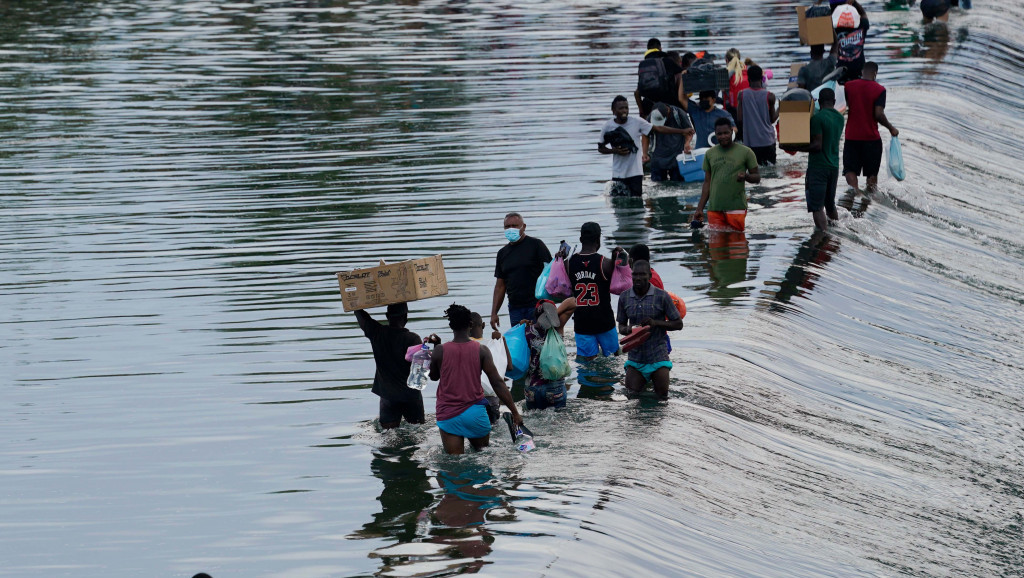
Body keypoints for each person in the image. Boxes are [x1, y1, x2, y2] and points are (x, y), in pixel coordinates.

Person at [429, 304, 523, 455]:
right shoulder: (481, 350)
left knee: (455, 465)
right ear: (470, 324)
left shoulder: (440, 350)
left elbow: (434, 377)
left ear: (451, 326)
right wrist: (515, 412)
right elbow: (498, 383)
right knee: (482, 457)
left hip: (449, 414)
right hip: (475, 413)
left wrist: (436, 347)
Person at [598, 96, 693, 197]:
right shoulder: (607, 126)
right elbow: (601, 148)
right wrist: (615, 151)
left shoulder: (637, 122)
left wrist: (682, 131)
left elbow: (658, 128)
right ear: (613, 110)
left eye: (626, 108)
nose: (624, 110)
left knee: (636, 201)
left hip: (636, 173)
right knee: (618, 204)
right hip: (618, 173)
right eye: (621, 108)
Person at [616, 261, 683, 399]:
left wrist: (656, 323)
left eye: (642, 274)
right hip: (635, 359)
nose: (638, 278)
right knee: (631, 398)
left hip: (658, 357)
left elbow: (678, 324)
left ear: (650, 275)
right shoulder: (624, 297)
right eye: (635, 274)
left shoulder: (662, 296)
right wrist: (627, 330)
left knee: (662, 398)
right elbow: (621, 325)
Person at [355, 303, 425, 429]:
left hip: (388, 397)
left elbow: (362, 317)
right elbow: (420, 372)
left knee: (388, 434)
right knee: (418, 432)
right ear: (406, 317)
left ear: (387, 316)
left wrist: (355, 304)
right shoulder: (413, 339)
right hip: (411, 397)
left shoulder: (377, 333)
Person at [786, 88, 845, 230]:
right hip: (834, 167)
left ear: (818, 101)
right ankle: (835, 233)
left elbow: (817, 145)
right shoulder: (840, 118)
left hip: (818, 167)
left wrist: (795, 147)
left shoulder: (817, 118)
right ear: (834, 101)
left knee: (817, 206)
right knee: (830, 204)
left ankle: (823, 237)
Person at [691, 118, 760, 232]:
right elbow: (707, 182)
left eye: (726, 133)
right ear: (715, 134)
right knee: (717, 246)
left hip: (736, 208)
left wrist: (746, 176)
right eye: (719, 134)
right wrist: (699, 209)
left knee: (736, 243)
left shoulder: (746, 152)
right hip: (714, 208)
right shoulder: (710, 154)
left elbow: (757, 177)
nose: (723, 136)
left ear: (732, 132)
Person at [566, 222, 624, 360]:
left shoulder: (568, 263)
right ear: (598, 240)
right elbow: (622, 283)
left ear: (580, 240)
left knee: (586, 366)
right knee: (614, 361)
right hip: (605, 322)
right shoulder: (606, 263)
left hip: (582, 324)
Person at [843, 61, 899, 191]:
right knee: (872, 175)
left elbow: (844, 106)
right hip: (871, 139)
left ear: (862, 72)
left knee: (850, 170)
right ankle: (868, 200)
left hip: (852, 137)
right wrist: (891, 128)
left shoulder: (848, 86)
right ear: (875, 74)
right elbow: (878, 114)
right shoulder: (880, 90)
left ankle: (856, 192)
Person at [490, 212, 551, 330]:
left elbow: (550, 273)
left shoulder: (536, 245)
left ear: (524, 227)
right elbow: (500, 286)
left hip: (537, 305)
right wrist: (494, 313)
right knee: (520, 342)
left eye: (514, 226)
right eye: (507, 227)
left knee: (538, 342)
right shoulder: (502, 253)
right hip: (515, 308)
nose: (510, 229)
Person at [521, 300, 569, 410]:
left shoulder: (525, 332)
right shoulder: (558, 330)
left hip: (532, 388)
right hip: (554, 388)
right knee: (558, 422)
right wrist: (552, 313)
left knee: (534, 421)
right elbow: (573, 303)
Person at [736, 64, 778, 166]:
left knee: (753, 171)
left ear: (748, 79)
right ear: (762, 79)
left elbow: (740, 119)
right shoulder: (770, 96)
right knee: (771, 171)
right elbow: (772, 119)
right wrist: (780, 108)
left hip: (750, 143)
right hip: (768, 141)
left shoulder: (741, 95)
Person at [634, 38, 684, 118]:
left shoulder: (644, 65)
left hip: (648, 106)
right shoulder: (667, 61)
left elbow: (637, 93)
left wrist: (641, 112)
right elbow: (681, 77)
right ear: (660, 48)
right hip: (669, 105)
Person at [648, 102, 695, 182]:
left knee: (678, 184)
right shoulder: (651, 117)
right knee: (657, 184)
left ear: (668, 113)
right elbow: (645, 134)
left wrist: (687, 143)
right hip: (658, 158)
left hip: (676, 157)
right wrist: (645, 153)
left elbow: (689, 132)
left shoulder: (679, 114)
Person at [834, 1, 869, 82]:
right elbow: (863, 14)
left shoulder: (835, 30)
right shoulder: (862, 25)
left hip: (842, 70)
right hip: (859, 69)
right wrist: (853, 2)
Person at [723, 49, 750, 138]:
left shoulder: (725, 75)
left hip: (733, 114)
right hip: (750, 113)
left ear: (726, 60)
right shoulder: (749, 71)